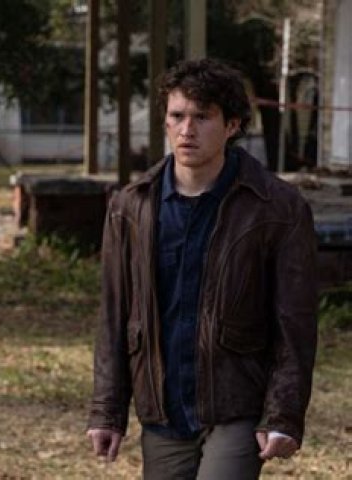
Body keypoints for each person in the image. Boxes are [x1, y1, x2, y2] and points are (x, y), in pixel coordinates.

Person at [86, 58, 317, 479]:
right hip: (163, 408)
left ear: (232, 125)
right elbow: (114, 315)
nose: (186, 130)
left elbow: (295, 322)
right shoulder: (131, 205)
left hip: (237, 402)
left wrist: (283, 415)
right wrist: (107, 411)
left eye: (202, 117)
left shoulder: (277, 207)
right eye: (177, 116)